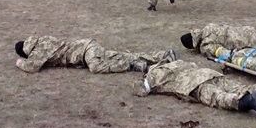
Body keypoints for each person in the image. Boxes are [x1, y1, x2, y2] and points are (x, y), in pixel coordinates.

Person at [136, 59, 256, 123]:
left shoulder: (153, 74)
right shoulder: (178, 62)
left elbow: (141, 91)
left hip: (195, 86)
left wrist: (143, 78)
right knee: (241, 87)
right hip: (210, 74)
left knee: (219, 97)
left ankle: (249, 101)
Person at [15, 35, 176, 74]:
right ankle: (163, 55)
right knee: (119, 55)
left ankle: (135, 65)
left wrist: (19, 62)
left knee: (97, 67)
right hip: (87, 47)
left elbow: (32, 67)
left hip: (86, 51)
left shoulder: (38, 50)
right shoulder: (42, 40)